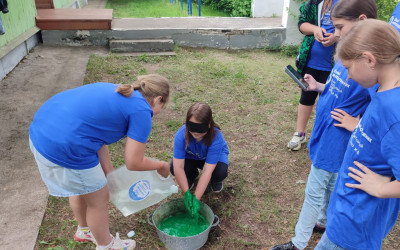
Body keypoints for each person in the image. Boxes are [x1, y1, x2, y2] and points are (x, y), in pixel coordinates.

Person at [270, 1, 377, 249]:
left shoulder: (369, 63)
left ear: (361, 21)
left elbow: (380, 107)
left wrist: (357, 124)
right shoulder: (347, 50)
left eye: (339, 27)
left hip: (336, 140)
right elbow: (337, 85)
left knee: (314, 191)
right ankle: (323, 220)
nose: (335, 33)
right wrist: (319, 87)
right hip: (325, 131)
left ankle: (298, 243)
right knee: (330, 183)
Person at [29, 74, 171, 250]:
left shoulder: (118, 90)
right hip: (64, 144)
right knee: (99, 199)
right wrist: (162, 165)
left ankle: (84, 230)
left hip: (42, 129)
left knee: (82, 187)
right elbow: (134, 162)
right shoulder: (141, 110)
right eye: (161, 107)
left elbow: (97, 133)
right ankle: (106, 245)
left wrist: (109, 172)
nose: (157, 113)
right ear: (158, 99)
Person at [287, 0, 338, 151]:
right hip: (311, 61)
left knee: (329, 101)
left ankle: (324, 137)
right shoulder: (315, 2)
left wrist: (336, 37)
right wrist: (316, 29)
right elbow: (302, 24)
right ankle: (299, 133)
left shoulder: (349, 3)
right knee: (306, 96)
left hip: (335, 65)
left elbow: (356, 29)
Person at [170, 102, 229, 201]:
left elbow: (207, 171)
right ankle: (191, 176)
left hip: (212, 159)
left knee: (220, 172)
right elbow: (178, 167)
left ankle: (215, 181)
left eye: (200, 129)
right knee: (173, 167)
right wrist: (187, 194)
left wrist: (196, 199)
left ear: (209, 124)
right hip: (191, 157)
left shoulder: (216, 137)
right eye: (192, 127)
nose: (196, 133)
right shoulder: (181, 134)